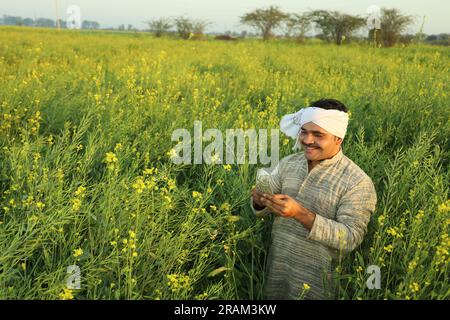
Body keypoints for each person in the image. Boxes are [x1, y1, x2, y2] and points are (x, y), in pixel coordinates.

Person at [250, 98, 377, 299]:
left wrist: (300, 214)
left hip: (318, 285)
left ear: (338, 139)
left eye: (318, 134)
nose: (307, 140)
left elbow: (351, 238)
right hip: (278, 272)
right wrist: (260, 200)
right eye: (304, 131)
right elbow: (263, 207)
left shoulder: (357, 182)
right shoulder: (288, 164)